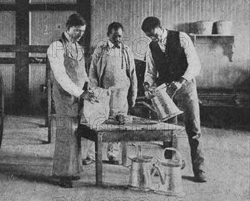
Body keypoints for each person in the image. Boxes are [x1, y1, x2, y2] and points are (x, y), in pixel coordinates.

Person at [141, 16, 206, 183]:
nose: (153, 39)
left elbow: (195, 64)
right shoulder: (152, 46)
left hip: (185, 86)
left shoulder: (181, 37)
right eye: (149, 36)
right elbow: (150, 71)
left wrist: (181, 81)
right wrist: (148, 85)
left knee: (193, 128)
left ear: (160, 27)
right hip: (166, 90)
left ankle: (200, 171)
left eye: (155, 35)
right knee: (168, 130)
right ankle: (169, 167)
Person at [47, 13, 97, 188]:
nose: (79, 34)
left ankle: (73, 170)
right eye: (77, 31)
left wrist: (88, 87)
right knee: (66, 132)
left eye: (82, 32)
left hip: (78, 95)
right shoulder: (56, 47)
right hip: (63, 95)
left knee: (75, 132)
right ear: (68, 28)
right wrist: (80, 93)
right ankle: (63, 174)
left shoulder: (78, 48)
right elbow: (60, 76)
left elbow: (82, 73)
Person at [83, 22, 137, 165]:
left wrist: (133, 95)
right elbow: (92, 72)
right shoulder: (100, 50)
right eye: (114, 36)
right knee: (96, 122)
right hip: (103, 93)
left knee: (118, 125)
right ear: (108, 35)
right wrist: (94, 90)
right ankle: (91, 155)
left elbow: (133, 74)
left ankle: (113, 154)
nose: (117, 39)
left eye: (119, 36)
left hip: (121, 95)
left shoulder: (126, 50)